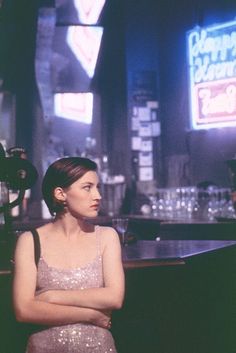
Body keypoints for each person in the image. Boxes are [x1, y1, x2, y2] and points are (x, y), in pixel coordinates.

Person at [13, 156, 125, 353]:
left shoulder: (107, 237)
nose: (98, 195)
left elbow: (114, 297)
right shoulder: (30, 241)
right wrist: (90, 315)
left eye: (98, 187)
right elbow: (24, 310)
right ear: (60, 193)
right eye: (88, 187)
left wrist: (50, 296)